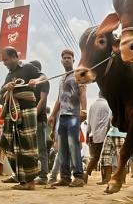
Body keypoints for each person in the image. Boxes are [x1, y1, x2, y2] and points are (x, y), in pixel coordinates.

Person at [0, 46, 46, 190]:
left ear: (14, 56)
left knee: (28, 146)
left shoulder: (28, 68)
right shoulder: (8, 75)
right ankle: (21, 177)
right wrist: (7, 87)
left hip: (27, 109)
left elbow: (44, 77)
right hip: (12, 112)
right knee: (7, 143)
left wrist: (36, 81)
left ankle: (29, 182)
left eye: (5, 59)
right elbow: (1, 94)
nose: (4, 63)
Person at [49, 49, 87, 188]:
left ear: (73, 60)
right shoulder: (61, 78)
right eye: (64, 58)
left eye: (69, 58)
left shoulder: (78, 75)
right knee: (63, 148)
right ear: (61, 60)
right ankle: (65, 177)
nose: (66, 60)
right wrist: (53, 114)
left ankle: (78, 177)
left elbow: (82, 93)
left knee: (73, 145)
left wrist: (84, 110)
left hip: (73, 116)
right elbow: (59, 99)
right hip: (62, 116)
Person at [29, 60, 51, 185]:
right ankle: (32, 174)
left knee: (41, 148)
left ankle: (43, 176)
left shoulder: (43, 81)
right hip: (30, 119)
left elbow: (42, 100)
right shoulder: (30, 82)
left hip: (39, 119)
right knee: (30, 150)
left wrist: (33, 115)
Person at [83, 91, 111, 184]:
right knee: (105, 157)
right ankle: (105, 178)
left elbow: (89, 121)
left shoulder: (92, 105)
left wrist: (87, 134)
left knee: (94, 157)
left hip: (94, 135)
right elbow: (109, 120)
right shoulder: (108, 105)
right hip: (105, 134)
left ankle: (86, 173)